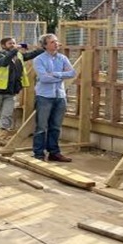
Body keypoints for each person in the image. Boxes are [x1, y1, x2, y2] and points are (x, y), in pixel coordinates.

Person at [0, 37, 43, 146]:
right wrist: (14, 51)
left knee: (7, 114)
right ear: (3, 46)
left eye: (14, 43)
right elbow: (3, 63)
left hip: (10, 92)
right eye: (10, 43)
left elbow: (32, 54)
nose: (13, 45)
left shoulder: (19, 56)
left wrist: (42, 48)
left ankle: (1, 137)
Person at [32, 33, 75, 162]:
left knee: (56, 126)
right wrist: (62, 76)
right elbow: (44, 78)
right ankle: (39, 154)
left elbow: (72, 73)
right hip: (44, 96)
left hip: (60, 96)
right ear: (45, 45)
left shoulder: (62, 58)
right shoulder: (39, 59)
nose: (56, 44)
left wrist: (55, 74)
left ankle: (54, 153)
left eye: (56, 41)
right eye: (52, 42)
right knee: (41, 127)